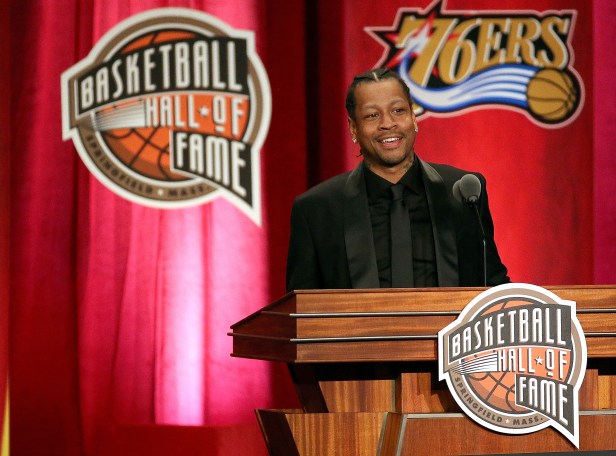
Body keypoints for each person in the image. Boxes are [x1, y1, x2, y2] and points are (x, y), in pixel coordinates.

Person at [286, 68, 509, 291]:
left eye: (398, 110)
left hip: (449, 327)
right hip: (360, 327)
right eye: (373, 115)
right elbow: (301, 310)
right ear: (353, 128)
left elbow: (494, 287)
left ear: (413, 118)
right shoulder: (317, 210)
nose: (388, 123)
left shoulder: (462, 192)